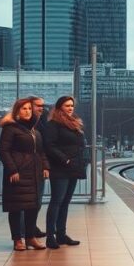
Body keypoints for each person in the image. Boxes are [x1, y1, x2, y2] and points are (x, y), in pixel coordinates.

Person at [0, 98, 50, 251]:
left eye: (29, 108)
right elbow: (3, 151)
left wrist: (45, 167)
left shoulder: (34, 130)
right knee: (16, 207)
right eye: (24, 109)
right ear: (17, 112)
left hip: (34, 174)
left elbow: (40, 152)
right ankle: (17, 239)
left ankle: (30, 238)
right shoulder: (10, 128)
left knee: (32, 207)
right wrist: (12, 169)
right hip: (18, 174)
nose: (28, 111)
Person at [43, 96, 85, 249]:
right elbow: (49, 145)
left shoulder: (74, 123)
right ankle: (50, 237)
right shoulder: (53, 124)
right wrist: (65, 159)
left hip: (73, 167)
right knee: (56, 201)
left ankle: (61, 234)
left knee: (65, 202)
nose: (70, 108)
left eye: (72, 105)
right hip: (60, 168)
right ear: (59, 107)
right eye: (67, 105)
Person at [27, 96, 49, 238]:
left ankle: (31, 227)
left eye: (42, 105)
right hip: (26, 166)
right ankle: (25, 231)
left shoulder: (44, 121)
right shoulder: (24, 123)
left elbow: (43, 146)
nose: (41, 108)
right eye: (38, 105)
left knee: (37, 200)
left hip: (40, 165)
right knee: (26, 201)